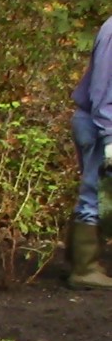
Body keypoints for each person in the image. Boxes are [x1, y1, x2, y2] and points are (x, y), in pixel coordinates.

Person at [68, 14, 112, 289]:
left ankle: (82, 262)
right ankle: (84, 270)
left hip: (102, 122)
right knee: (95, 191)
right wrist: (109, 136)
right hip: (100, 124)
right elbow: (103, 90)